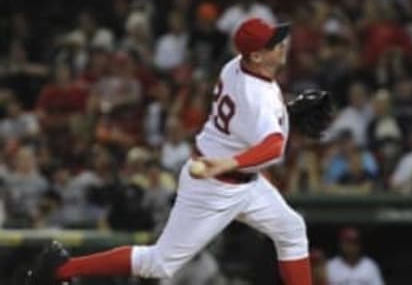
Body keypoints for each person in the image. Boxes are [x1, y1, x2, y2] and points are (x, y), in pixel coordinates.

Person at [26, 18, 313, 285]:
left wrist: (284, 115)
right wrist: (233, 160)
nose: (282, 44)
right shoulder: (257, 93)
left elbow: (257, 120)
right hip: (215, 184)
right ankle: (61, 269)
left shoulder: (237, 65)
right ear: (257, 56)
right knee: (158, 264)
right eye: (274, 44)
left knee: (291, 229)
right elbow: (273, 147)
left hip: (238, 177)